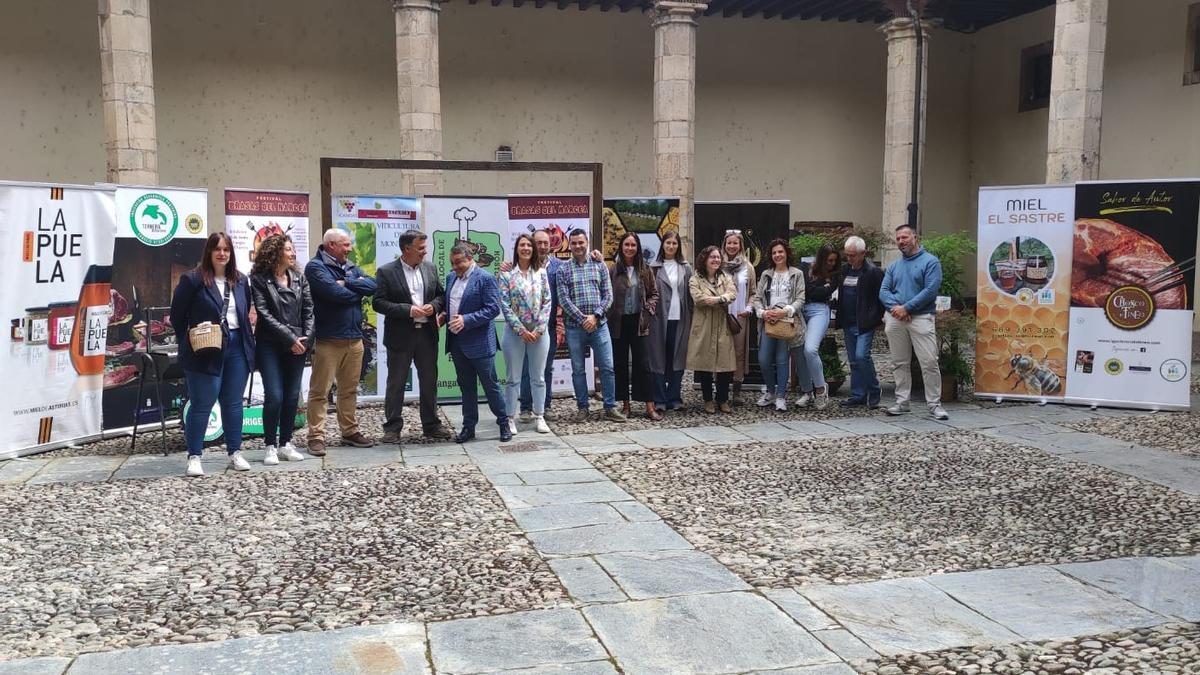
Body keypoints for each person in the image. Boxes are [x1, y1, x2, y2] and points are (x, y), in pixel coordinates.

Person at [170, 232, 256, 477]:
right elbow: (177, 316)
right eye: (217, 249)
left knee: (233, 402)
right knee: (202, 402)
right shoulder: (193, 279)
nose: (222, 253)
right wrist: (189, 340)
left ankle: (234, 453)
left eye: (226, 249)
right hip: (206, 346)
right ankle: (194, 456)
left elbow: (243, 312)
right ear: (208, 252)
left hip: (237, 345)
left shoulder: (240, 280)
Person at [372, 229, 455, 445]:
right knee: (396, 383)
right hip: (400, 337)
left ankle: (431, 425)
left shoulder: (430, 268)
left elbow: (441, 295)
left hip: (427, 335)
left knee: (429, 382)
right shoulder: (386, 271)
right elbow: (378, 303)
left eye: (425, 248)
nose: (424, 252)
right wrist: (408, 310)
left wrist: (433, 306)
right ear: (406, 249)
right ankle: (392, 427)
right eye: (420, 248)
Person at [304, 228, 378, 456]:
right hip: (328, 340)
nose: (350, 249)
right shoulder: (315, 267)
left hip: (354, 339)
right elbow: (336, 295)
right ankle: (316, 436)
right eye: (345, 245)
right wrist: (356, 287)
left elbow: (374, 286)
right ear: (331, 246)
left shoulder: (350, 267)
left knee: (349, 390)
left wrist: (345, 282)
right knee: (320, 392)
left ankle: (349, 431)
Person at [249, 234, 311, 465]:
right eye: (288, 249)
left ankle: (286, 443)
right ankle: (269, 445)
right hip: (270, 345)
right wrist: (289, 338)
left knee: (292, 396)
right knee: (274, 396)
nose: (293, 253)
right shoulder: (258, 279)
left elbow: (309, 311)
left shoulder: (299, 278)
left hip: (298, 345)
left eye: (293, 249)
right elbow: (264, 313)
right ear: (275, 252)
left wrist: (305, 340)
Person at [880, 224, 950, 420]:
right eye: (899, 239)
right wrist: (899, 309)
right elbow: (883, 291)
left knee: (929, 362)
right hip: (895, 318)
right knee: (899, 362)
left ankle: (934, 404)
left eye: (905, 237)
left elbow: (930, 291)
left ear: (915, 237)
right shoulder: (894, 265)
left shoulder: (930, 262)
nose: (901, 241)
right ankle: (902, 402)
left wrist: (907, 308)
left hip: (921, 318)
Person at [442, 243, 511, 443]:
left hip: (480, 343)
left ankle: (503, 423)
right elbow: (452, 305)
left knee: (491, 386)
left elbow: (492, 309)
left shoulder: (486, 278)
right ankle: (468, 427)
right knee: (466, 387)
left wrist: (466, 320)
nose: (454, 267)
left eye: (458, 263)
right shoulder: (450, 277)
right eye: (452, 263)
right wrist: (444, 315)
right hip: (457, 343)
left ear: (470, 258)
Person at [557, 229, 625, 422]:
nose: (578, 246)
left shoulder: (599, 265)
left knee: (607, 367)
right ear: (569, 245)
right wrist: (582, 319)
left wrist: (594, 317)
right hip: (574, 327)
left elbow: (608, 295)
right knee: (578, 369)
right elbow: (563, 299)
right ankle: (582, 408)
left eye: (581, 242)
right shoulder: (563, 269)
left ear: (587, 242)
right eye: (574, 243)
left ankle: (610, 407)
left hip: (600, 325)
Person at [497, 233, 552, 434]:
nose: (526, 248)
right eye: (522, 245)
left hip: (539, 332)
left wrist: (538, 329)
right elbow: (504, 304)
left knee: (538, 377)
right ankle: (510, 418)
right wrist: (521, 330)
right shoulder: (506, 274)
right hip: (515, 333)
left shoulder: (542, 273)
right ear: (517, 248)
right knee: (513, 378)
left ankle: (540, 415)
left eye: (529, 245)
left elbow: (548, 301)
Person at [608, 233, 660, 420]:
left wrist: (648, 309)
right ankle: (625, 405)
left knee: (644, 364)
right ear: (621, 247)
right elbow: (607, 295)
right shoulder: (614, 271)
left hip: (640, 322)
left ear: (638, 248)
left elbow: (654, 294)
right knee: (620, 364)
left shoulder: (645, 270)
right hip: (618, 323)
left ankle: (649, 406)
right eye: (626, 245)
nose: (630, 248)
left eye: (633, 245)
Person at [751, 239, 806, 412]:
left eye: (780, 252)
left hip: (786, 321)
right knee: (764, 359)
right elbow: (757, 298)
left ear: (786, 253)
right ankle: (770, 391)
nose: (777, 255)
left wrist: (785, 311)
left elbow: (800, 299)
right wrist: (763, 313)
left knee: (782, 360)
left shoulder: (797, 274)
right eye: (774, 252)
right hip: (768, 320)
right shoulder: (766, 274)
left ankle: (781, 396)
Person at [687, 245, 738, 414]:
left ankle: (722, 399)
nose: (716, 260)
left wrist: (717, 298)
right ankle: (708, 399)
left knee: (725, 364)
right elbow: (699, 299)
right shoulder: (695, 279)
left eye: (718, 257)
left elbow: (732, 294)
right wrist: (721, 299)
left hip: (722, 325)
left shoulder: (725, 277)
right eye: (712, 257)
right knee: (705, 365)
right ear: (705, 260)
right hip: (704, 325)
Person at [646, 231, 692, 414]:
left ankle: (674, 396)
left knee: (677, 358)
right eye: (668, 243)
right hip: (659, 320)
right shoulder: (654, 267)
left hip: (680, 319)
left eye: (674, 243)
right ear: (662, 245)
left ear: (678, 246)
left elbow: (690, 295)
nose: (671, 246)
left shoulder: (685, 268)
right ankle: (659, 398)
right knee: (658, 358)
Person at [838, 236, 885, 408]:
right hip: (848, 320)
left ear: (863, 254)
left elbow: (882, 296)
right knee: (853, 360)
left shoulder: (873, 271)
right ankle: (858, 394)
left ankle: (874, 389)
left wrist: (876, 317)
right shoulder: (845, 270)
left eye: (853, 255)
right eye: (847, 255)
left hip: (865, 321)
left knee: (862, 356)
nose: (849, 258)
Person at [794, 243, 841, 410]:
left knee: (810, 349)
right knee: (799, 351)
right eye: (829, 260)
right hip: (802, 310)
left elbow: (821, 293)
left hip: (820, 310)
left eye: (834, 261)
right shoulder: (805, 267)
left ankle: (821, 389)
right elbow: (807, 290)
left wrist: (820, 289)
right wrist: (820, 288)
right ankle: (807, 391)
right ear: (821, 258)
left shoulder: (835, 274)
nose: (832, 264)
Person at [720, 230, 757, 401]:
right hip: (721, 316)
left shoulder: (748, 267)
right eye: (729, 243)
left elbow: (753, 293)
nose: (732, 246)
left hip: (740, 315)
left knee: (739, 353)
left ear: (741, 245)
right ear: (724, 244)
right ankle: (721, 391)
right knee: (721, 351)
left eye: (735, 243)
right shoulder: (718, 265)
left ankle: (736, 390)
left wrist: (749, 308)